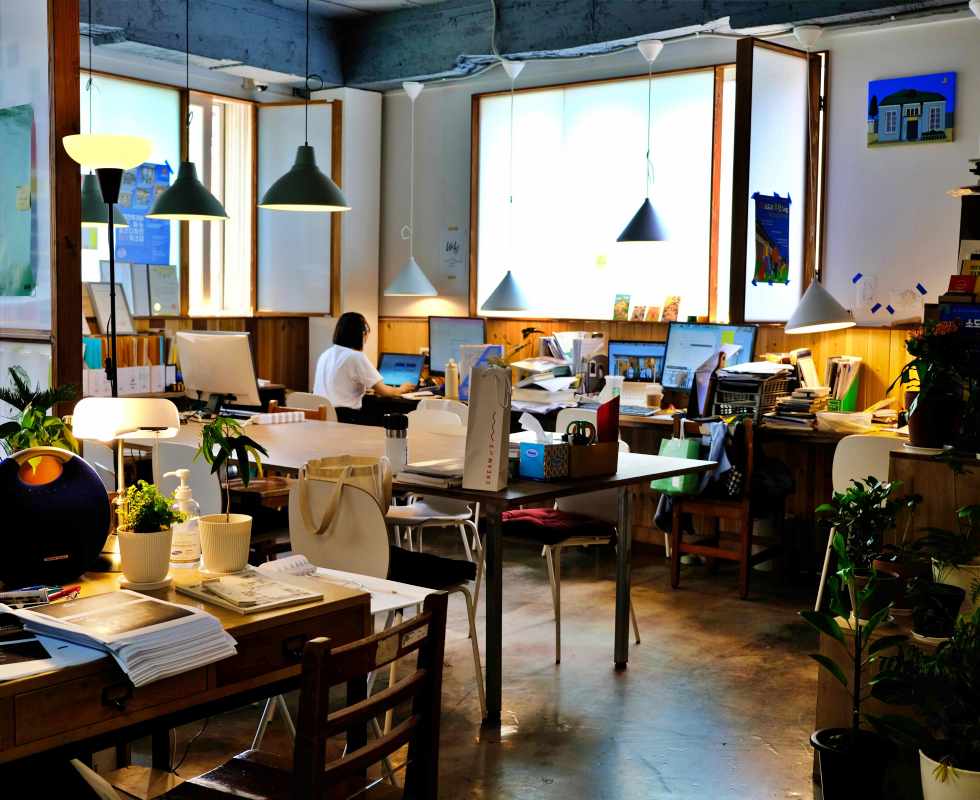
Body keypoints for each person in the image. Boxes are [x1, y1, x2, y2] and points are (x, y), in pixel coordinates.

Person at [313, 312, 415, 410]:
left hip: (321, 414)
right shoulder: (355, 356)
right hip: (344, 415)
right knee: (392, 416)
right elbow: (384, 391)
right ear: (362, 333)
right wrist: (402, 389)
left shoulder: (325, 354)